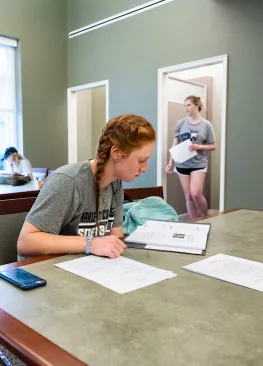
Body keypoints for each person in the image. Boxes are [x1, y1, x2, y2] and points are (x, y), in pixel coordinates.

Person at [17, 114, 156, 259]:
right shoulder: (68, 181)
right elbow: (25, 243)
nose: (145, 168)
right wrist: (90, 243)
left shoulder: (115, 183)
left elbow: (116, 238)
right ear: (116, 153)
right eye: (141, 160)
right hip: (44, 271)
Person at [166, 95, 216, 219]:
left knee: (196, 193)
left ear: (197, 105)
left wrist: (199, 147)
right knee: (188, 195)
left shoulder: (206, 125)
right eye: (185, 106)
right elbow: (175, 143)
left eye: (188, 105)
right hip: (182, 163)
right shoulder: (181, 123)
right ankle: (194, 223)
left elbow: (213, 146)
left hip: (198, 164)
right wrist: (170, 162)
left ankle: (205, 217)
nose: (186, 108)